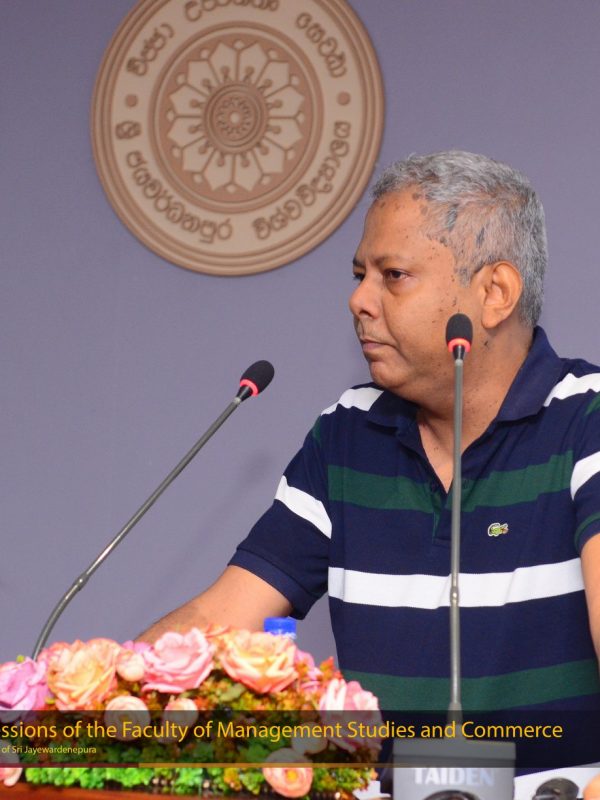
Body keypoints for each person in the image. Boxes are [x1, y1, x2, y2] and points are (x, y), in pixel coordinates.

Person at [140, 151, 600, 770]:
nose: (358, 300)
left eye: (394, 275)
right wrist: (71, 717)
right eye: (360, 274)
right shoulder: (349, 432)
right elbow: (220, 621)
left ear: (494, 294)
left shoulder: (588, 420)